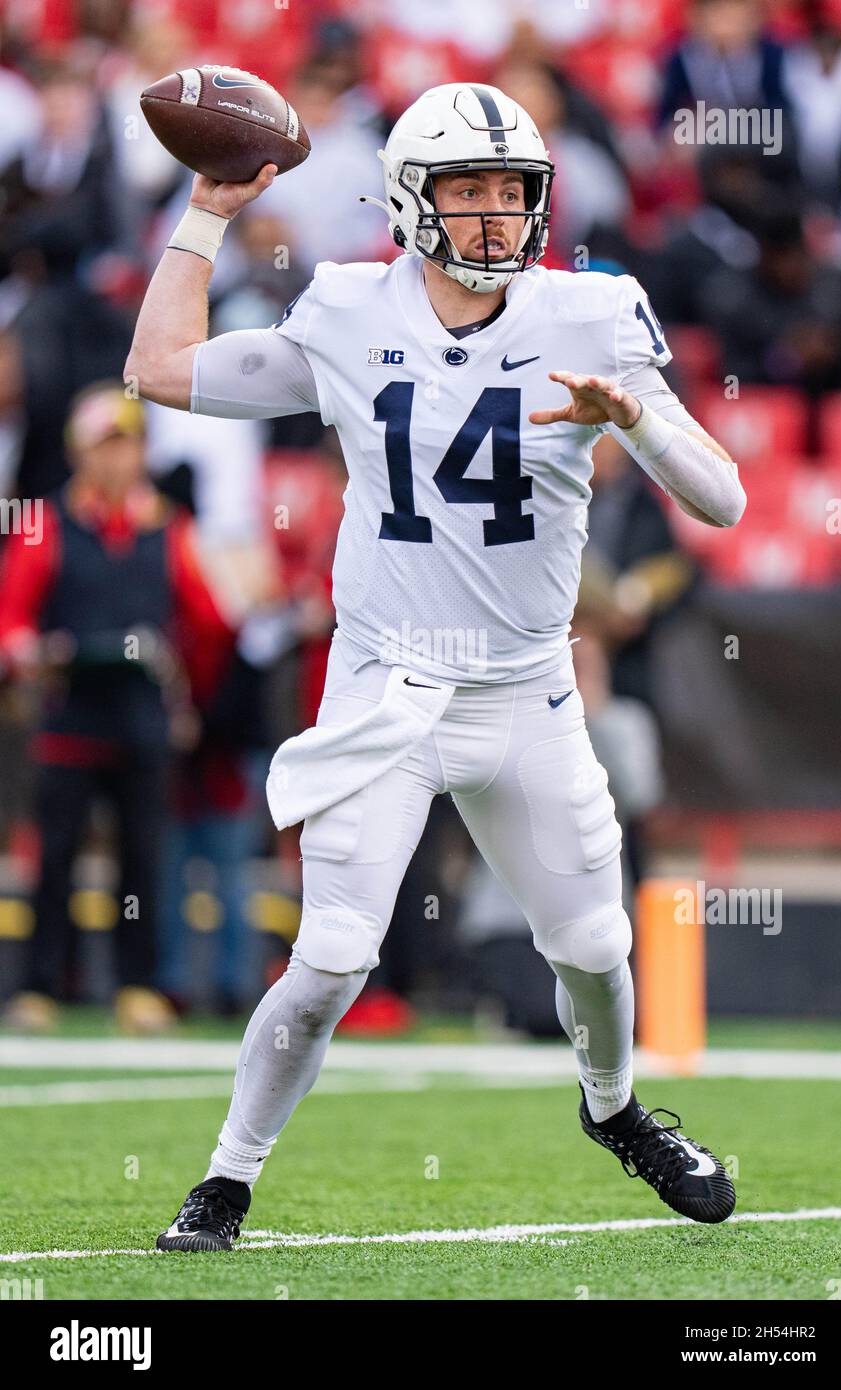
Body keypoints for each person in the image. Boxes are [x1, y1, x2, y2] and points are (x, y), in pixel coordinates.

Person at [125, 83, 747, 1252]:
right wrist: (203, 216)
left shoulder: (592, 313)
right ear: (413, 200)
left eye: (510, 191)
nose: (495, 215)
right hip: (385, 686)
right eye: (467, 191)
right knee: (327, 963)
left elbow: (722, 498)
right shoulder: (349, 310)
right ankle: (226, 1178)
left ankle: (612, 1109)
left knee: (596, 951)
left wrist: (637, 421)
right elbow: (158, 369)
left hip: (526, 691)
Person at [0, 384, 233, 1033]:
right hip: (69, 719)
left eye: (128, 444)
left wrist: (184, 687)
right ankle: (41, 986)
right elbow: (11, 617)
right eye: (107, 445)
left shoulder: (169, 528)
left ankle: (137, 985)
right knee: (55, 856)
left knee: (143, 857)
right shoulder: (46, 522)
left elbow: (209, 622)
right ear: (81, 453)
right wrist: (31, 655)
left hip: (141, 720)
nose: (119, 459)